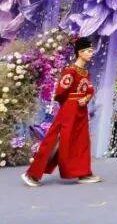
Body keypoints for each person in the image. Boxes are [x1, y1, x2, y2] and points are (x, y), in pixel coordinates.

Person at [22, 37, 101, 186]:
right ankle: (32, 174)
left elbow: (90, 90)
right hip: (70, 110)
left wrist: (86, 98)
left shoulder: (85, 72)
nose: (91, 54)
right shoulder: (70, 71)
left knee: (81, 141)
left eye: (91, 51)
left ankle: (83, 172)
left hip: (81, 111)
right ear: (80, 52)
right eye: (89, 51)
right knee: (56, 140)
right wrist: (71, 103)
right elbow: (60, 92)